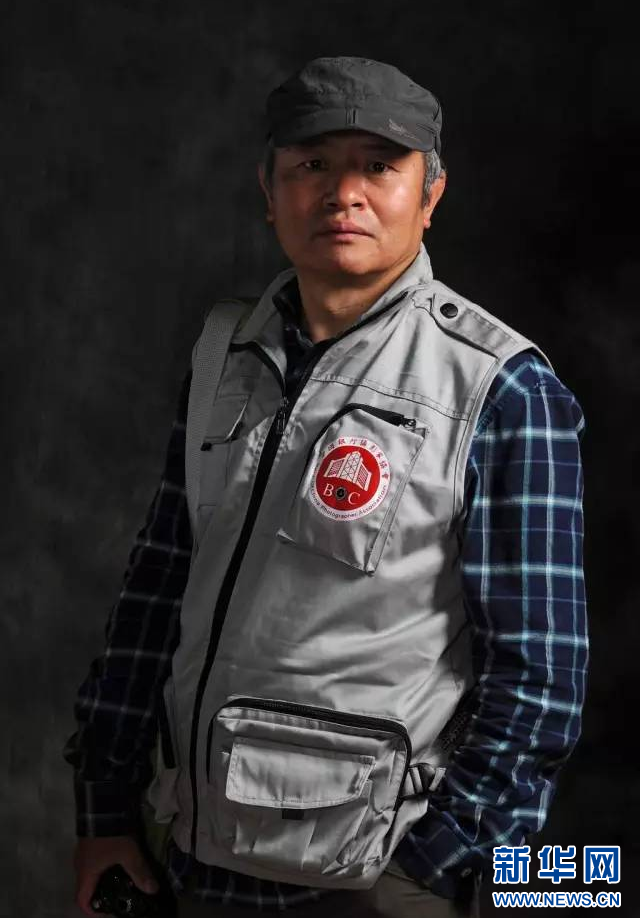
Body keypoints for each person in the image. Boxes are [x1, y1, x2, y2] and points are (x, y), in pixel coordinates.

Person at [63, 56, 588, 918]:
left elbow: (538, 683)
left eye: (379, 166)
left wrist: (425, 871)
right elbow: (155, 594)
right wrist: (105, 811)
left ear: (431, 194)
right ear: (269, 191)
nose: (344, 193)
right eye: (312, 163)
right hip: (185, 860)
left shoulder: (500, 389)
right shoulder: (223, 355)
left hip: (367, 878)